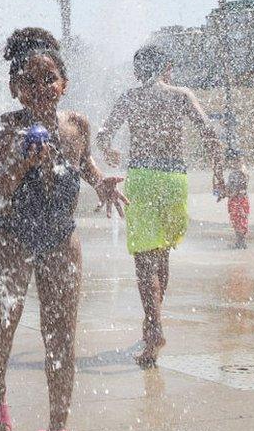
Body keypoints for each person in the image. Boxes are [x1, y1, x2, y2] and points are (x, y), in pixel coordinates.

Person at [0, 28, 127, 431]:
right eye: (29, 81)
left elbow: (83, 162)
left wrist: (100, 182)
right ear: (15, 88)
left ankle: (59, 427)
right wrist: (24, 160)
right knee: (1, 324)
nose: (41, 88)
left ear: (64, 83)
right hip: (11, 236)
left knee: (61, 336)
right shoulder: (7, 126)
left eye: (50, 80)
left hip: (61, 237)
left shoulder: (76, 124)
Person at [96, 45, 225, 369]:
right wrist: (218, 174)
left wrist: (109, 151)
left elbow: (103, 134)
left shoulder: (130, 98)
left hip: (142, 178)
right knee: (162, 254)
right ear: (166, 67)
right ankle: (152, 322)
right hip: (174, 181)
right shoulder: (182, 95)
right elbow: (209, 132)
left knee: (144, 260)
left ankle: (154, 328)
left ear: (138, 71)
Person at [226, 152, 250, 249]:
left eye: (238, 161)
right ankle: (239, 241)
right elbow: (229, 186)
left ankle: (242, 241)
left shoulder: (243, 172)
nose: (235, 163)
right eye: (234, 161)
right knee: (235, 220)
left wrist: (233, 194)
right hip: (234, 199)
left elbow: (243, 186)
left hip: (240, 199)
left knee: (241, 219)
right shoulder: (233, 173)